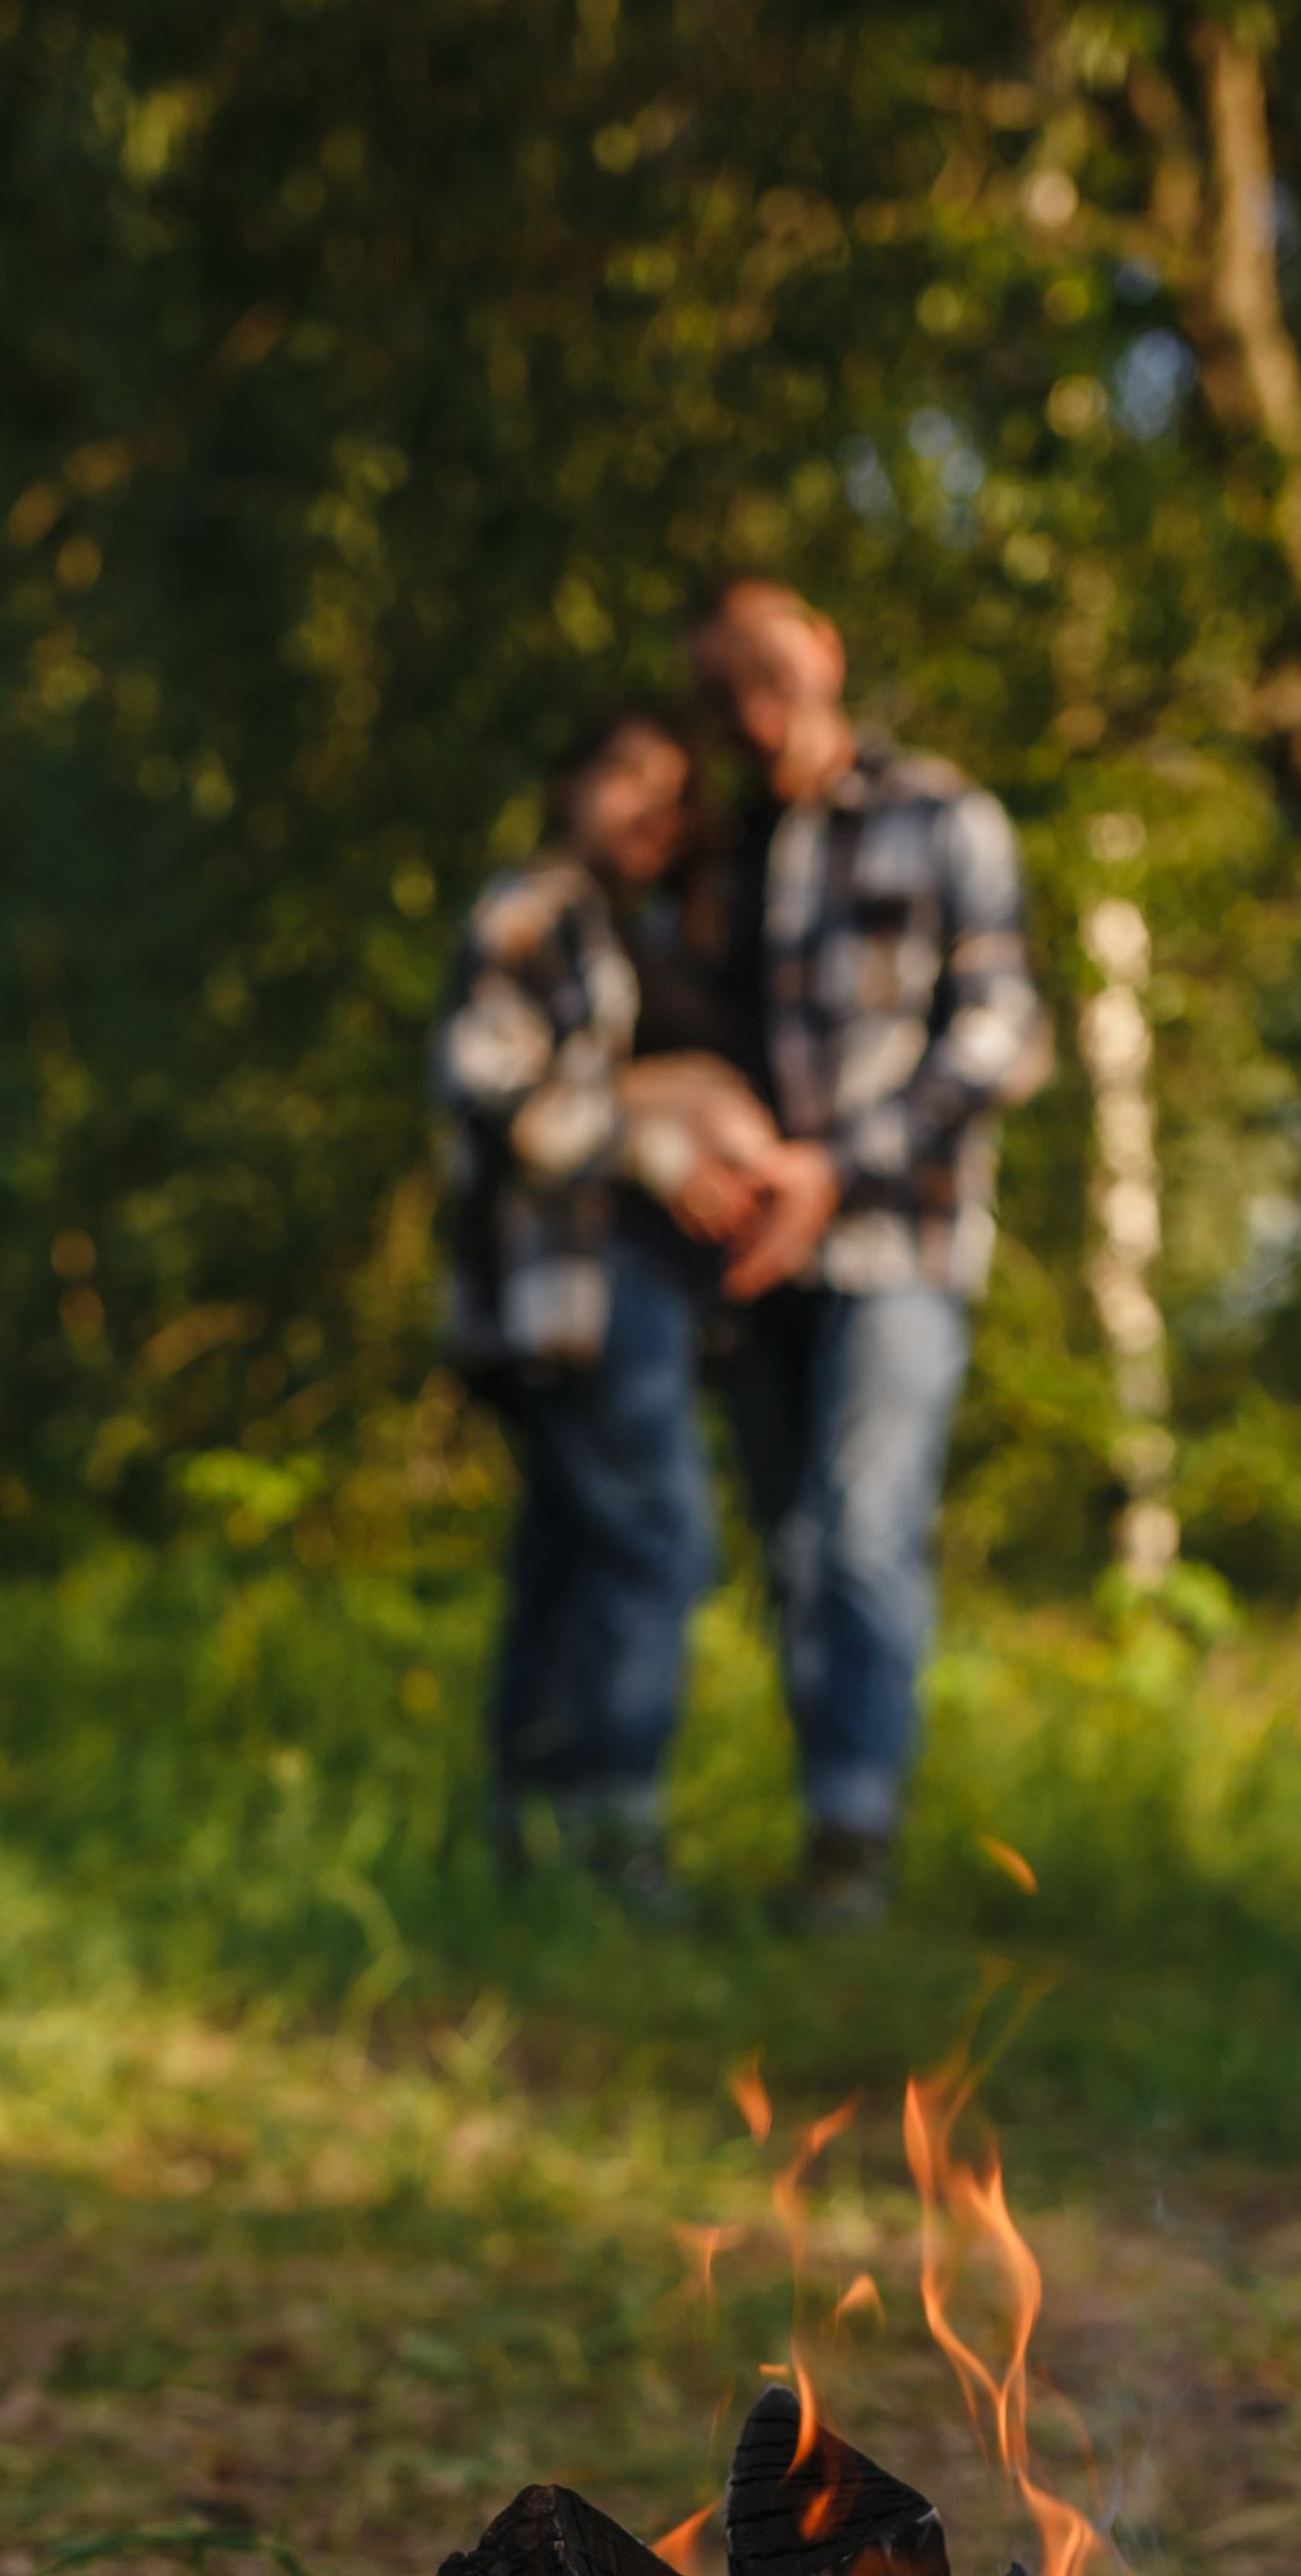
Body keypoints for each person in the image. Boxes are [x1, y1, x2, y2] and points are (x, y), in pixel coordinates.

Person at [686, 576, 1051, 1926]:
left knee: (862, 1532)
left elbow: (1006, 1033)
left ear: (827, 650)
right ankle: (827, 1826)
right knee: (789, 1550)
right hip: (753, 1267)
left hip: (899, 1240)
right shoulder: (717, 852)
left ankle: (857, 1836)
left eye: (765, 668)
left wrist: (834, 1164)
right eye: (719, 688)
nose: (750, 704)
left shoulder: (942, 816)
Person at [434, 701, 779, 1903]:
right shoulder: (534, 911)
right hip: (569, 1294)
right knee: (658, 1544)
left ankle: (520, 1831)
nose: (650, 808)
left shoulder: (624, 930)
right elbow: (495, 1094)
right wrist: (653, 1142)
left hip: (599, 1297)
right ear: (571, 779)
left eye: (675, 791)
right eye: (628, 775)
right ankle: (612, 1833)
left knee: (571, 1550)